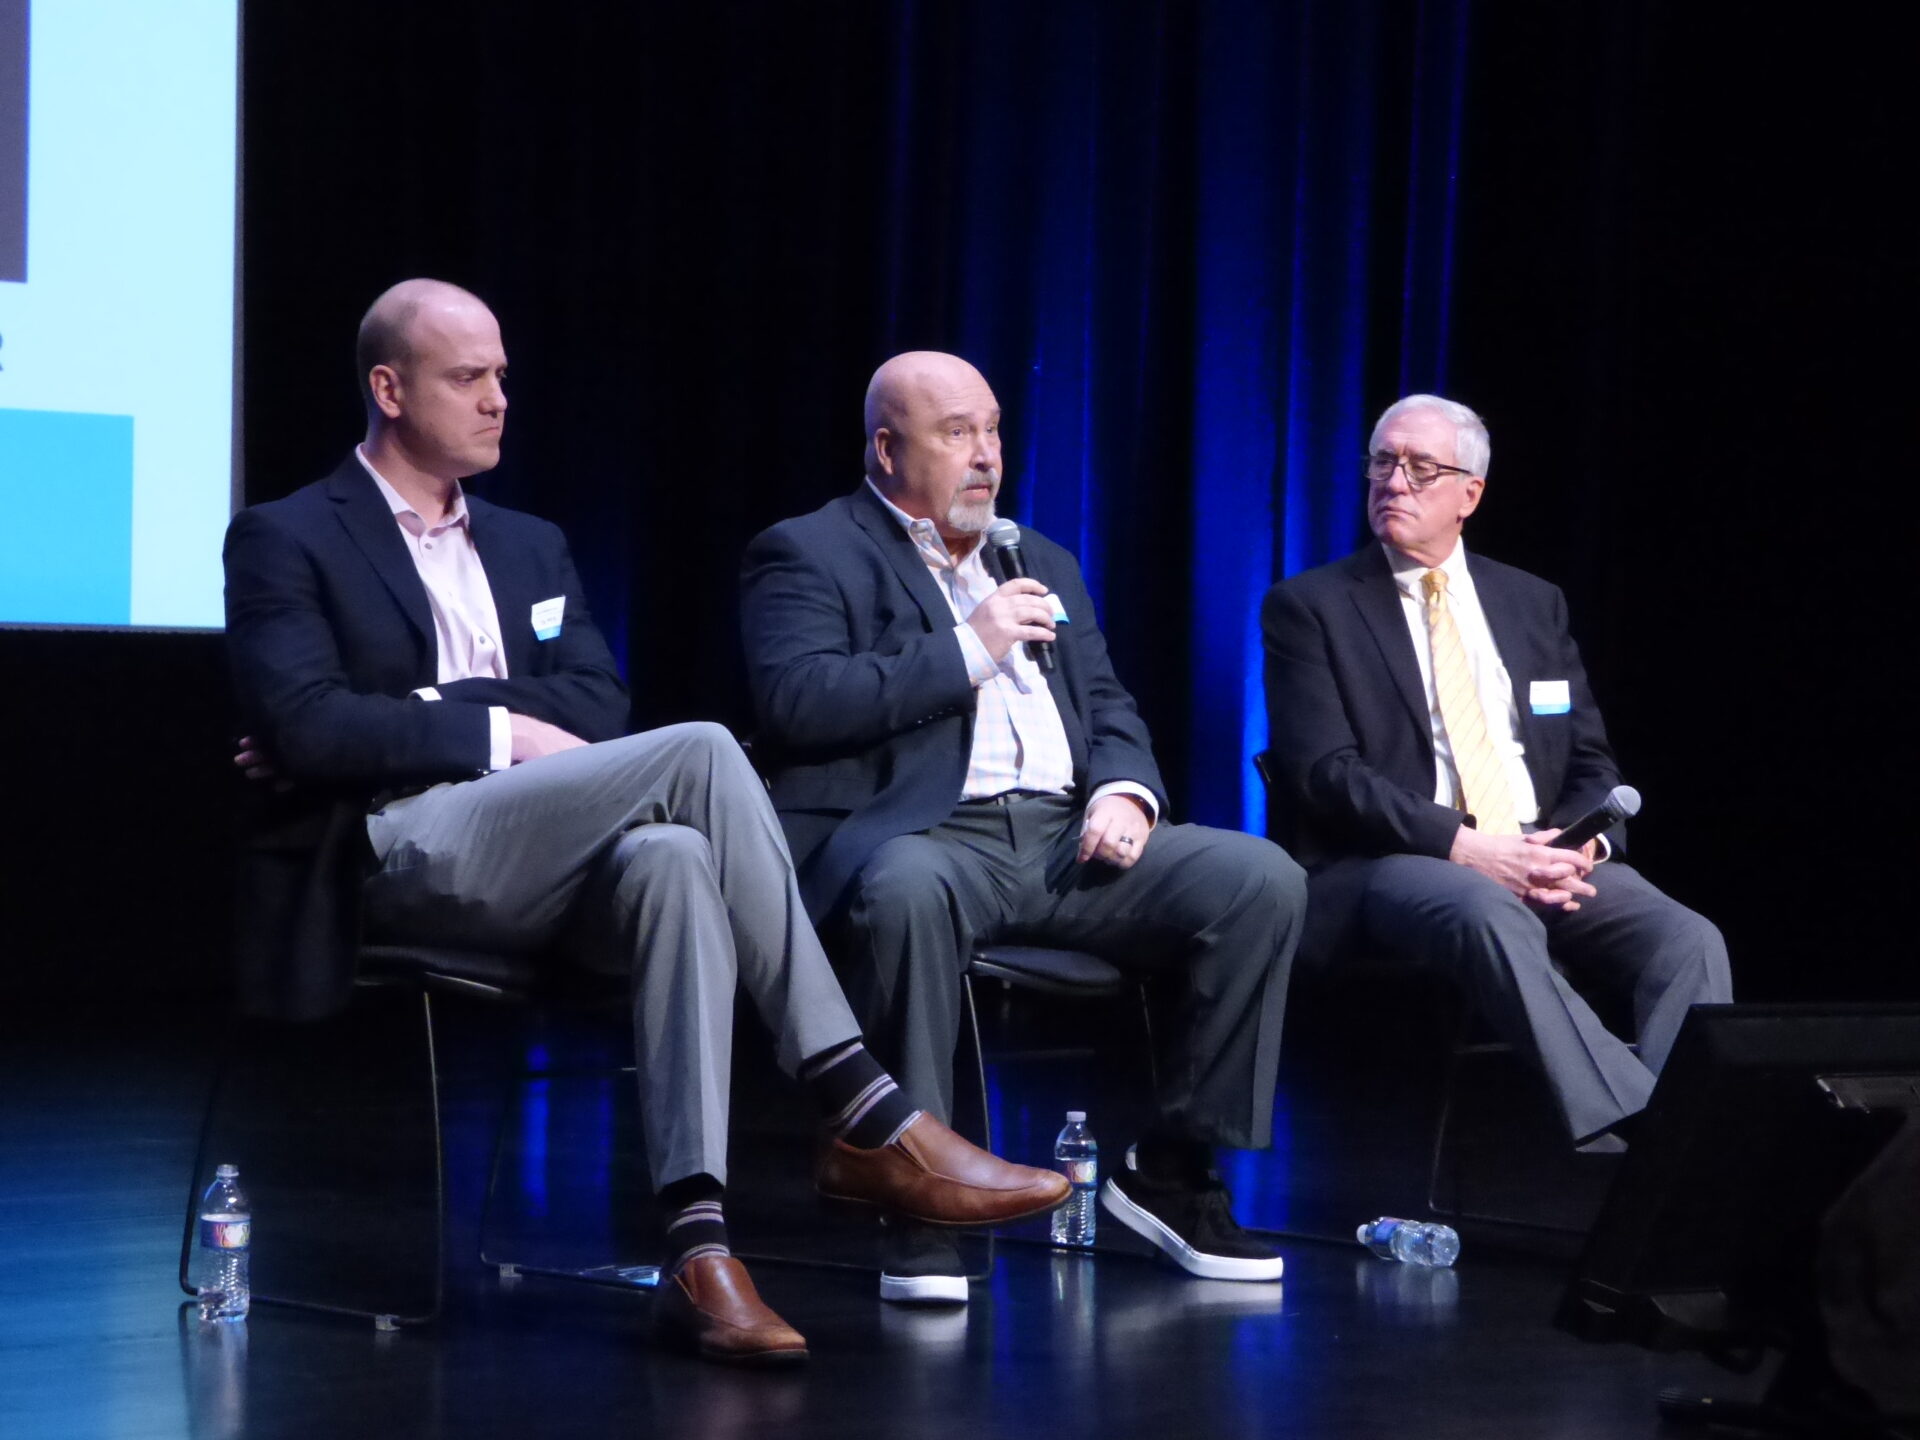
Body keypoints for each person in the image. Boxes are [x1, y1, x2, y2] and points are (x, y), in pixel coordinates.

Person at [222, 283, 1067, 1366]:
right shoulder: (287, 536)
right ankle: (865, 1105)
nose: (497, 400)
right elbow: (306, 729)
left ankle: (698, 1250)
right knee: (705, 748)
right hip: (397, 849)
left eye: (502, 376)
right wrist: (502, 735)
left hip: (542, 853)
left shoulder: (529, 544)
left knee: (671, 855)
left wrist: (442, 710)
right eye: (467, 378)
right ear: (389, 389)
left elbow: (596, 704)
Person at [739, 350, 1305, 1303]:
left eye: (993, 429)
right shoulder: (808, 551)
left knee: (1262, 880)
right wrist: (971, 645)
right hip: (927, 841)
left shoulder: (1038, 556)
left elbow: (1111, 706)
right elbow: (799, 703)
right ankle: (914, 1197)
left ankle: (1171, 1170)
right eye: (955, 433)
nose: (986, 455)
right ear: (885, 449)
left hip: (1060, 840)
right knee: (905, 892)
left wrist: (1126, 790)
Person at [1260, 393, 1731, 1150]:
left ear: (1468, 494)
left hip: (1539, 852)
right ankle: (1665, 1138)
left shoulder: (1530, 603)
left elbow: (1588, 758)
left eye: (1420, 468)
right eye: (1383, 463)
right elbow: (1325, 774)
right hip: (1397, 864)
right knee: (1490, 910)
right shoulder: (1311, 606)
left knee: (1688, 939)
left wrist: (1580, 845)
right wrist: (1473, 849)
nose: (1395, 482)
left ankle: (1687, 1146)